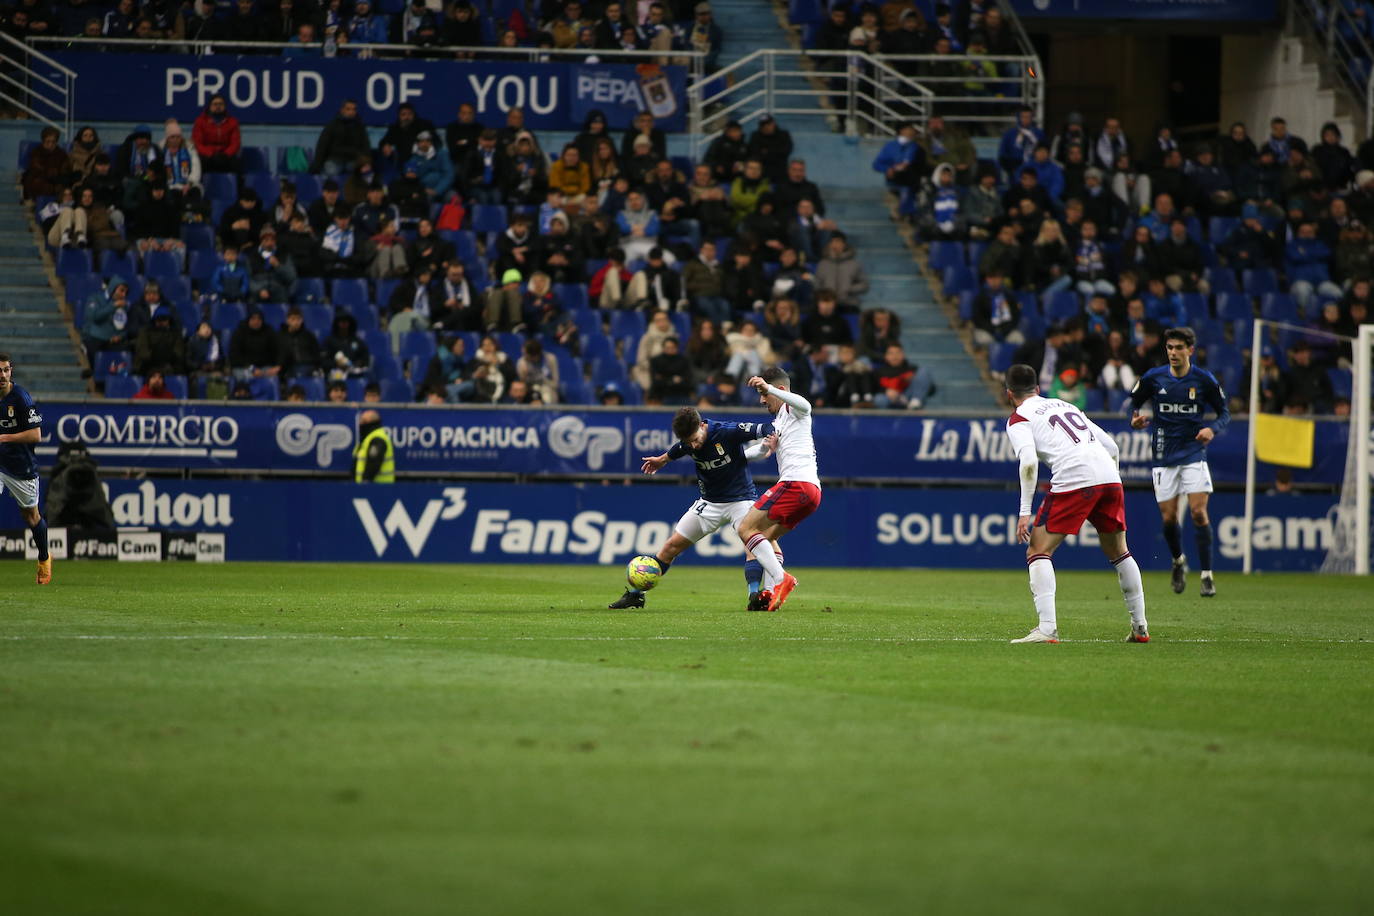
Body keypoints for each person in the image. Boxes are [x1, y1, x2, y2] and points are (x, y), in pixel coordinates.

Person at [1001, 363, 1148, 644]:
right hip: (1109, 477)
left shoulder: (1019, 418)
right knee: (1120, 552)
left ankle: (1046, 628)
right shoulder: (1063, 404)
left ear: (1009, 393)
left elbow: (1029, 462)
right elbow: (1112, 447)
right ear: (1039, 389)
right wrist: (1109, 482)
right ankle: (1140, 627)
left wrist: (1024, 512)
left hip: (1075, 477)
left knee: (1038, 550)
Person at [609, 406, 779, 610]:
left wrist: (770, 439)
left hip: (741, 500)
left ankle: (754, 595)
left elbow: (766, 427)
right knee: (671, 547)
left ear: (702, 425)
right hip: (709, 503)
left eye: (695, 439)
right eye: (688, 442)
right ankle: (637, 595)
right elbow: (678, 449)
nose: (694, 445)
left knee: (751, 545)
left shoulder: (726, 431)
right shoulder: (687, 442)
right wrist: (662, 460)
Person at [1128, 326, 1230, 598]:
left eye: (1179, 348)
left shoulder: (1203, 380)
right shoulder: (1154, 377)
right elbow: (1134, 401)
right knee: (1169, 517)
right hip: (1163, 454)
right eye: (1170, 348)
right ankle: (1178, 561)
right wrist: (1135, 418)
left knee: (1198, 513)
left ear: (1190, 350)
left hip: (1193, 451)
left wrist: (1212, 429)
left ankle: (1207, 575)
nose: (1173, 353)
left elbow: (1224, 413)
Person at [738, 367, 822, 611]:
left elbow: (806, 405)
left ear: (780, 390)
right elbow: (761, 450)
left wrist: (770, 388)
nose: (762, 400)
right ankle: (772, 590)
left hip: (796, 484)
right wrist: (735, 460)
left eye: (764, 395)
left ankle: (782, 579)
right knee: (765, 538)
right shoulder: (779, 422)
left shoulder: (793, 409)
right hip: (811, 492)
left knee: (746, 528)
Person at [0, 354, 51, 584]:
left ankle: (43, 558)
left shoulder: (20, 397)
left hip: (20, 466)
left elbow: (36, 435)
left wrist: (4, 438)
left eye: (5, 370)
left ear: (11, 372)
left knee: (31, 516)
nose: (2, 375)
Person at [354, 409, 394, 483]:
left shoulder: (377, 438)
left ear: (369, 422)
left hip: (378, 488)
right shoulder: (368, 437)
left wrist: (365, 482)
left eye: (362, 420)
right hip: (369, 488)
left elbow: (373, 464)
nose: (360, 423)